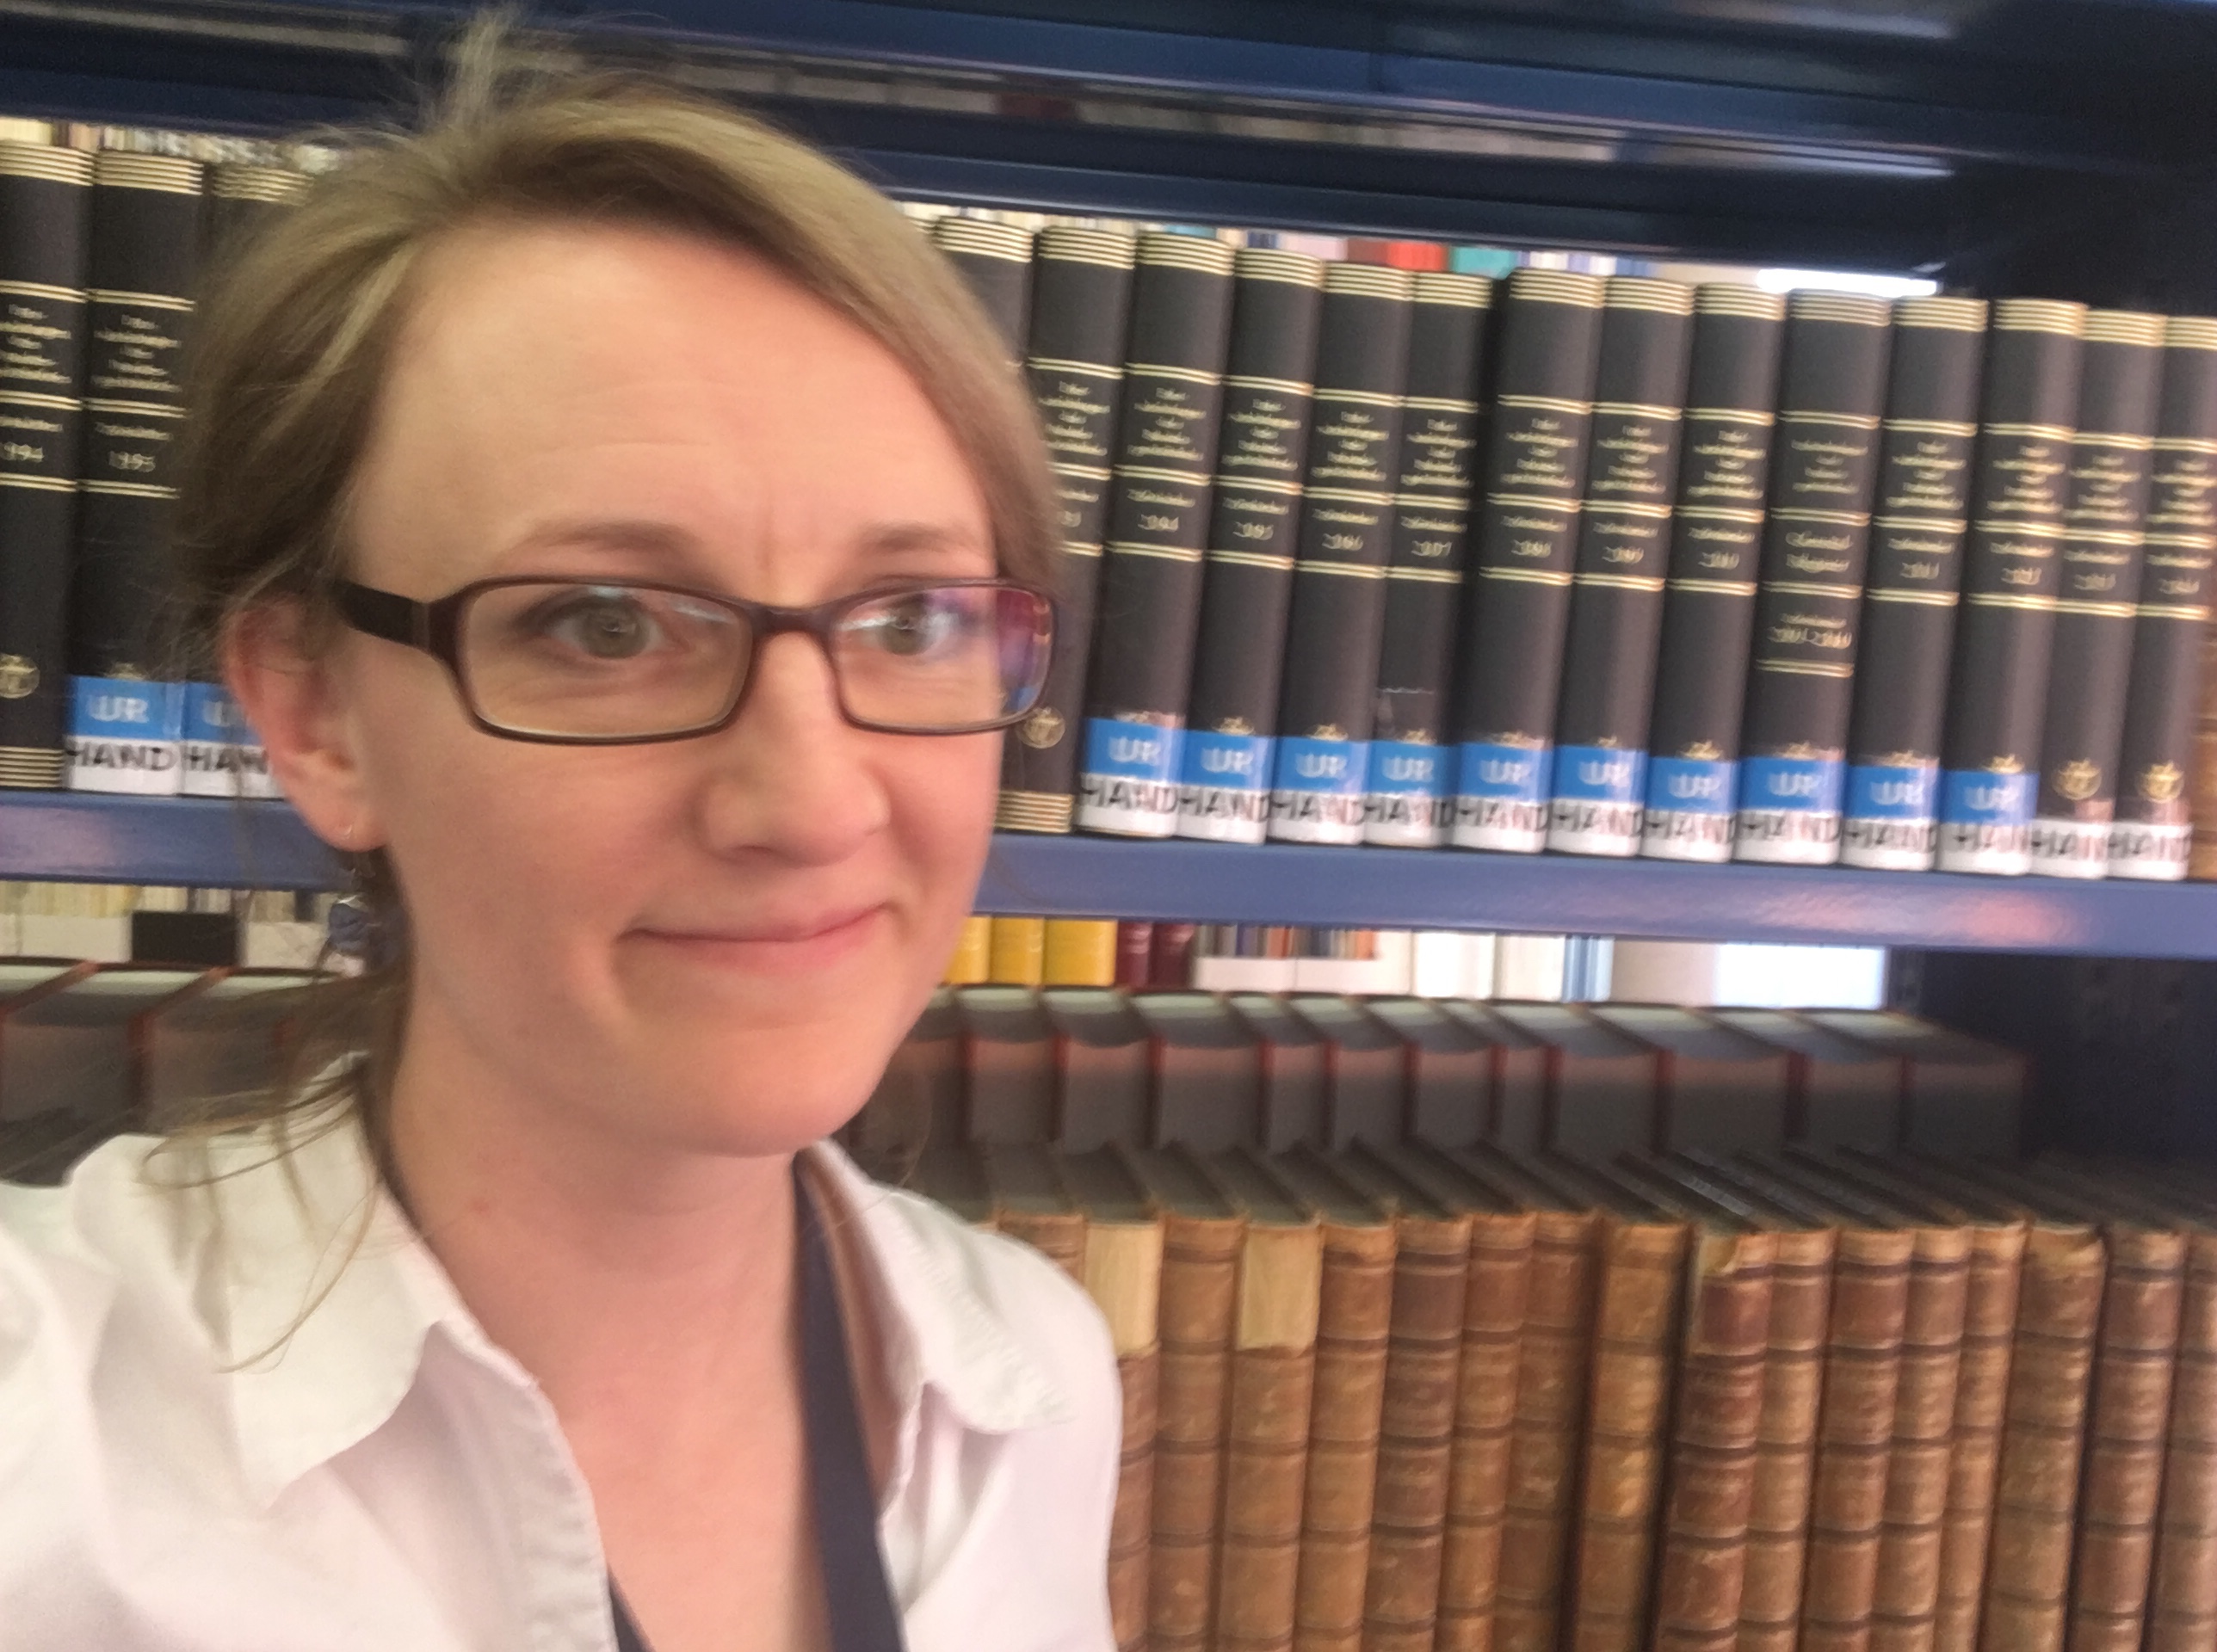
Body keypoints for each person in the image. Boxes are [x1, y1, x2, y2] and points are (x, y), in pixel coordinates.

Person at [0, 39, 1120, 1652]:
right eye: (605, 625)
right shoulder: (46, 1445)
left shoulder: (1032, 1387)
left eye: (909, 619)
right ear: (316, 714)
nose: (812, 806)